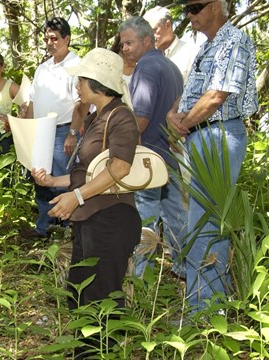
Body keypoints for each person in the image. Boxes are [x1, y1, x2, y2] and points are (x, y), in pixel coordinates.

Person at [31, 49, 139, 350]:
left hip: (110, 218)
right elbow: (87, 172)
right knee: (79, 294)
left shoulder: (121, 118)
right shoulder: (96, 117)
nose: (76, 85)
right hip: (89, 220)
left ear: (97, 82)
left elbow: (120, 167)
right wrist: (54, 181)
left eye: (81, 79)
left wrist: (76, 197)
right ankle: (85, 353)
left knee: (101, 300)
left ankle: (99, 355)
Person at [167, 0, 258, 312]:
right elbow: (194, 92)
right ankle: (205, 304)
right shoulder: (207, 47)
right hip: (202, 135)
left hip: (218, 134)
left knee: (207, 225)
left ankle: (206, 310)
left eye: (195, 7)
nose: (190, 15)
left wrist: (185, 121)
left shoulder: (233, 41)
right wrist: (176, 115)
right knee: (203, 223)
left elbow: (217, 95)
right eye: (186, 10)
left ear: (217, 5)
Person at [118, 17, 186, 277]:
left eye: (129, 43)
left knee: (143, 218)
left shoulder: (146, 67)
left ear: (147, 40)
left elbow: (141, 120)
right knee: (176, 215)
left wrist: (117, 139)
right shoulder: (170, 66)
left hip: (148, 158)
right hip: (170, 154)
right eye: (123, 44)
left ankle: (135, 278)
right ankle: (184, 268)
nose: (124, 49)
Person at [19, 17, 89, 239]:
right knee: (40, 178)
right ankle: (44, 227)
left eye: (55, 38)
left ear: (67, 39)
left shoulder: (76, 65)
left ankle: (69, 229)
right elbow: (32, 101)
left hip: (63, 131)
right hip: (40, 131)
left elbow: (82, 103)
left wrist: (72, 133)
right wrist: (27, 129)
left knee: (63, 180)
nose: (50, 43)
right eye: (47, 38)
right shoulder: (43, 68)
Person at [143, 6, 199, 83]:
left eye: (154, 30)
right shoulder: (145, 56)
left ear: (168, 25)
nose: (150, 36)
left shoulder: (190, 52)